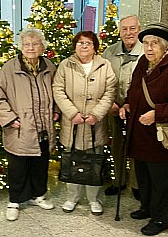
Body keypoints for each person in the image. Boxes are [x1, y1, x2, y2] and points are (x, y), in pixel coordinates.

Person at [119, 23, 168, 235]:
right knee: (144, 175)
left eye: (154, 43)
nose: (149, 48)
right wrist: (127, 104)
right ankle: (147, 207)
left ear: (165, 46)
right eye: (145, 43)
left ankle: (162, 219)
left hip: (163, 138)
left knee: (163, 180)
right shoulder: (144, 61)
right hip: (141, 135)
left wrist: (158, 114)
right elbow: (134, 88)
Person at [0, 28, 57, 221]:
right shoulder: (9, 68)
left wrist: (56, 111)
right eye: (27, 44)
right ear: (20, 47)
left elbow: (58, 91)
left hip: (43, 126)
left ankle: (38, 195)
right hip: (20, 127)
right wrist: (10, 119)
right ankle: (14, 200)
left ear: (42, 46)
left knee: (40, 163)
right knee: (17, 166)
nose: (31, 47)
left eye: (35, 43)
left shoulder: (49, 67)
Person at [53, 31, 117, 215]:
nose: (84, 46)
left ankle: (93, 199)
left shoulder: (105, 65)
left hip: (95, 125)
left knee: (94, 161)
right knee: (71, 160)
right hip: (72, 124)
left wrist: (96, 114)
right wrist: (72, 113)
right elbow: (58, 89)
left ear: (95, 46)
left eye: (88, 43)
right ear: (75, 46)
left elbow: (110, 91)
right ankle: (71, 198)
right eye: (80, 43)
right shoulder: (66, 65)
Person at [102, 15, 143, 199]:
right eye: (125, 29)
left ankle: (136, 184)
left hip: (138, 111)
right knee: (117, 147)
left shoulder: (146, 51)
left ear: (139, 29)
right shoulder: (109, 53)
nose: (129, 33)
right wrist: (109, 103)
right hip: (114, 109)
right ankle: (119, 181)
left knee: (137, 149)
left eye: (132, 28)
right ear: (119, 31)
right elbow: (102, 81)